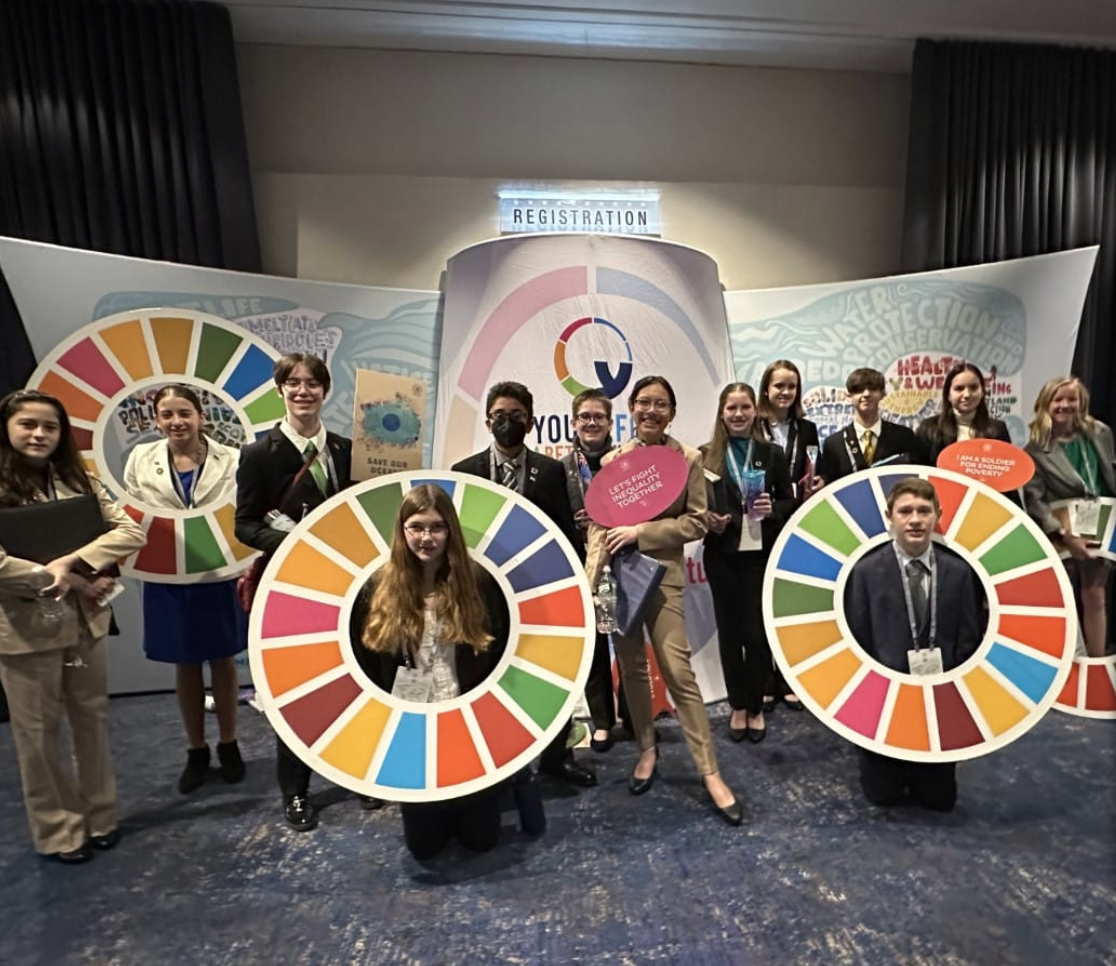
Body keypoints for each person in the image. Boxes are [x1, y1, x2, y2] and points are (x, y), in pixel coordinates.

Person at [586, 375, 742, 825]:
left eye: (660, 404)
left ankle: (710, 772)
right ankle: (647, 749)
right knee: (632, 667)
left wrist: (642, 532)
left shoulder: (688, 458)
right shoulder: (612, 460)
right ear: (631, 409)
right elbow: (598, 526)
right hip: (619, 579)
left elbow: (696, 523)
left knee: (677, 670)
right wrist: (591, 580)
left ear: (672, 413)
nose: (651, 411)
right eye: (643, 402)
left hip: (664, 577)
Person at [0, 389, 145, 862]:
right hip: (24, 629)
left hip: (84, 625)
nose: (39, 434)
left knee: (92, 720)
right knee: (37, 734)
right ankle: (59, 831)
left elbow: (129, 531)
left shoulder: (79, 479)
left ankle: (101, 817)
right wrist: (65, 578)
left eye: (50, 426)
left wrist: (72, 563)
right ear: (7, 428)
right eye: (28, 424)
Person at [349, 484, 510, 859]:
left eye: (437, 527)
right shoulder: (379, 587)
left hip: (468, 716)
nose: (427, 537)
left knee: (481, 841)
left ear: (450, 530)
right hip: (412, 721)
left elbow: (500, 646)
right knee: (424, 848)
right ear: (402, 530)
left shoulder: (477, 582)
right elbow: (366, 660)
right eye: (417, 527)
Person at [234, 352, 358, 831]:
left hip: (348, 583)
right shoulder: (258, 455)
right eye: (294, 383)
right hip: (292, 587)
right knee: (297, 688)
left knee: (355, 679)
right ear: (280, 390)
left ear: (325, 391)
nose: (303, 391)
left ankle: (355, 772)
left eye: (312, 383)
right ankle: (297, 790)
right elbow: (245, 524)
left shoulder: (348, 449)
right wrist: (295, 542)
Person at [453, 380, 596, 788]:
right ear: (487, 422)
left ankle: (557, 758)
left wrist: (576, 583)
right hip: (482, 596)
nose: (507, 422)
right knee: (485, 674)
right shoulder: (464, 473)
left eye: (516, 416)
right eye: (499, 415)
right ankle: (494, 762)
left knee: (549, 673)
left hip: (539, 591)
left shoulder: (551, 472)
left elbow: (565, 535)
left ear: (531, 423)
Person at [123, 385, 247, 794]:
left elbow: (242, 511)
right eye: (167, 414)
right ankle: (196, 750)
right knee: (185, 663)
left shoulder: (233, 458)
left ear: (200, 416)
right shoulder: (140, 458)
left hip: (218, 571)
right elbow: (132, 516)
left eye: (184, 413)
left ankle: (229, 743)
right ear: (156, 420)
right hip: (168, 575)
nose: (176, 421)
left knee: (223, 660)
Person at [844, 478, 983, 811]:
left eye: (924, 511)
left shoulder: (960, 572)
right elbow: (857, 641)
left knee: (939, 800)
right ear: (889, 517)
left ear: (938, 516)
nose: (915, 520)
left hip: (939, 696)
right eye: (905, 511)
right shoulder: (864, 573)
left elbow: (968, 639)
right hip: (884, 700)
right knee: (883, 796)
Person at [701, 383, 795, 744]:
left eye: (744, 407)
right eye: (731, 408)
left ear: (755, 410)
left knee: (756, 636)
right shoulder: (705, 455)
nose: (738, 414)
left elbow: (789, 501)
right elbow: (694, 508)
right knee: (729, 635)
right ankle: (737, 705)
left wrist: (774, 509)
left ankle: (755, 705)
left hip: (760, 555)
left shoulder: (771, 454)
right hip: (721, 554)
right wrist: (707, 519)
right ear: (721, 413)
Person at [1023, 376, 1115, 658]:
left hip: (1101, 523)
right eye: (1058, 399)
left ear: (1081, 402)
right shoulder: (1035, 449)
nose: (1065, 405)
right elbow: (1035, 502)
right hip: (1060, 532)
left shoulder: (1100, 432)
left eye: (1071, 399)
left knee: (1095, 594)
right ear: (1046, 404)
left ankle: (1096, 663)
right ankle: (1068, 662)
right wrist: (1064, 535)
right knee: (1060, 598)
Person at [560, 388, 624, 752]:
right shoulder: (561, 468)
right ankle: (602, 721)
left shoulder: (625, 463)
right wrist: (576, 522)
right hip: (580, 565)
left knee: (628, 643)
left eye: (599, 416)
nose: (591, 422)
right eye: (585, 416)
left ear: (610, 422)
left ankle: (633, 715)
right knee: (594, 646)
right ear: (574, 423)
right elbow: (555, 516)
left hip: (623, 561)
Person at [756, 358, 821, 711]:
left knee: (790, 602)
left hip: (796, 522)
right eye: (779, 385)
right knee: (762, 603)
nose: (785, 392)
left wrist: (818, 482)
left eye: (791, 386)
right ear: (766, 389)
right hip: (760, 524)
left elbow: (814, 470)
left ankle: (788, 676)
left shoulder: (807, 429)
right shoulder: (752, 425)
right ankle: (766, 679)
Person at [817, 368, 922, 483]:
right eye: (858, 390)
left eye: (872, 389)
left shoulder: (903, 436)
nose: (866, 394)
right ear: (849, 396)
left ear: (883, 394)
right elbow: (830, 488)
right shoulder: (833, 444)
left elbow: (914, 479)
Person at [916, 361, 1011, 464]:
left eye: (974, 387)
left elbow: (1007, 467)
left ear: (982, 392)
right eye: (959, 388)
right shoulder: (928, 429)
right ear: (948, 395)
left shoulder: (998, 430)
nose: (967, 394)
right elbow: (916, 470)